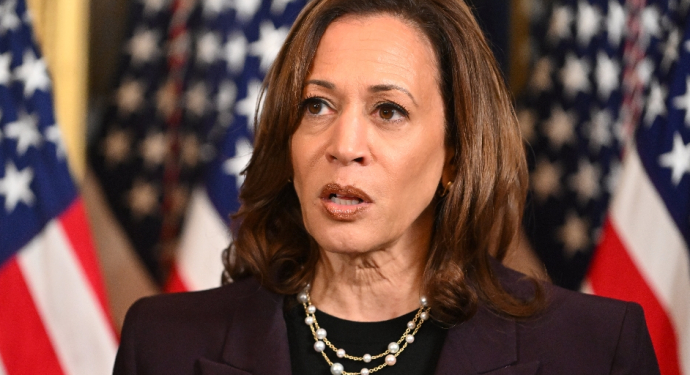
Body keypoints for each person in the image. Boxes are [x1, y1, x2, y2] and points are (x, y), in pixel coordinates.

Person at [113, 0, 660, 374]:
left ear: (455, 154)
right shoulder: (164, 344)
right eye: (317, 105)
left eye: (389, 110)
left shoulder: (593, 348)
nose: (345, 144)